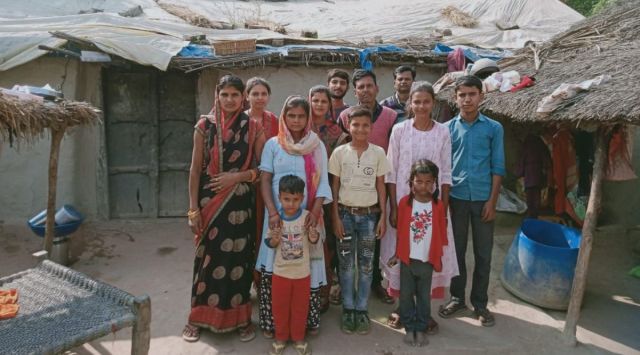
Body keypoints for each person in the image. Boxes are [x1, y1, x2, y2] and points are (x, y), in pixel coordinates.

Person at [183, 74, 266, 342]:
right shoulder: (203, 127)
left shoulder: (253, 127)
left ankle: (241, 319)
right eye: (225, 94)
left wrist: (237, 177)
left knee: (239, 261)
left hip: (241, 205)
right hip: (210, 205)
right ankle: (197, 317)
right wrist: (193, 209)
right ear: (217, 96)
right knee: (207, 261)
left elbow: (263, 168)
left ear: (243, 97)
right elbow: (195, 171)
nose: (230, 100)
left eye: (235, 95)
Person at [382, 81, 458, 333]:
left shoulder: (443, 132)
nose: (422, 106)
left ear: (433, 103)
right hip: (404, 207)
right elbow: (391, 172)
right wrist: (393, 207)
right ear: (410, 104)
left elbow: (446, 173)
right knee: (403, 255)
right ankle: (401, 308)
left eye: (426, 101)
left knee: (426, 256)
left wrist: (443, 211)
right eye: (417, 101)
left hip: (431, 207)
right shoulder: (400, 131)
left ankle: (423, 312)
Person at [256, 96, 332, 338]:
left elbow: (322, 184)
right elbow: (265, 180)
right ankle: (272, 323)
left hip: (306, 218)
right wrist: (272, 212)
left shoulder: (316, 145)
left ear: (308, 118)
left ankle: (304, 322)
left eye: (301, 116)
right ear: (284, 117)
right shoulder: (273, 145)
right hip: (277, 218)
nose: (296, 121)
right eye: (292, 116)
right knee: (274, 264)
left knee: (304, 265)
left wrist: (315, 212)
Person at [439, 75, 505, 327]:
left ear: (481, 96)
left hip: (482, 199)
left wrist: (492, 201)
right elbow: (443, 166)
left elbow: (498, 167)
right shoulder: (446, 129)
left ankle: (480, 304)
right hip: (456, 199)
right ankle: (457, 298)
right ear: (455, 98)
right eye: (462, 95)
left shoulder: (494, 128)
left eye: (472, 94)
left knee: (483, 254)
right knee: (455, 253)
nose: (467, 99)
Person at [337, 69, 397, 304]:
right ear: (355, 91)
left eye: (368, 86)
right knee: (345, 242)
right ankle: (343, 286)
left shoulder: (391, 116)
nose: (365, 90)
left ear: (377, 88)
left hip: (377, 188)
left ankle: (374, 284)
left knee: (374, 241)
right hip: (351, 190)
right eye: (360, 87)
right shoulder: (345, 116)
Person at [329, 106, 390, 335]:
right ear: (348, 126)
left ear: (371, 127)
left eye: (365, 125)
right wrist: (334, 216)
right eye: (356, 125)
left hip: (368, 218)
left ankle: (362, 310)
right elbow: (334, 187)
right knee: (346, 266)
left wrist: (383, 216)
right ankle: (348, 308)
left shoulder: (378, 153)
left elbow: (381, 186)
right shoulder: (340, 153)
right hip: (344, 215)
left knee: (365, 265)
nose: (360, 129)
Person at [388, 160, 448, 347]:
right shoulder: (405, 203)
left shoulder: (438, 206)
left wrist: (438, 256)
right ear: (411, 182)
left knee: (424, 296)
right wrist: (397, 254)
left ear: (434, 183)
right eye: (419, 181)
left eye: (429, 182)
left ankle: (421, 327)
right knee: (405, 296)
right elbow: (401, 232)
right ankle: (409, 326)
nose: (424, 186)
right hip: (408, 259)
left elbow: (440, 232)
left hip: (427, 261)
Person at [266, 175, 319, 355]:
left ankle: (298, 338)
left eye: (295, 199)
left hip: (302, 274)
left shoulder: (306, 217)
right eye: (286, 199)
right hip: (280, 273)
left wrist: (313, 237)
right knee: (280, 307)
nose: (290, 203)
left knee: (300, 308)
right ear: (279, 197)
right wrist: (273, 240)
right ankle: (280, 338)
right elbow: (270, 243)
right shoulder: (275, 219)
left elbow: (314, 239)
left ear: (302, 199)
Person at [309, 85, 349, 311]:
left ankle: (326, 290)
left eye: (324, 102)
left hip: (330, 194)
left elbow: (339, 168)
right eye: (315, 101)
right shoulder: (300, 128)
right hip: (302, 195)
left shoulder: (337, 132)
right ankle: (308, 290)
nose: (319, 105)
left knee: (329, 243)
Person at [245, 77, 279, 296]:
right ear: (247, 96)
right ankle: (245, 282)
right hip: (244, 186)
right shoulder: (240, 119)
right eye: (254, 94)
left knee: (263, 232)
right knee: (247, 234)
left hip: (268, 186)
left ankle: (263, 281)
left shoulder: (274, 120)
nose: (259, 98)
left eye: (263, 94)